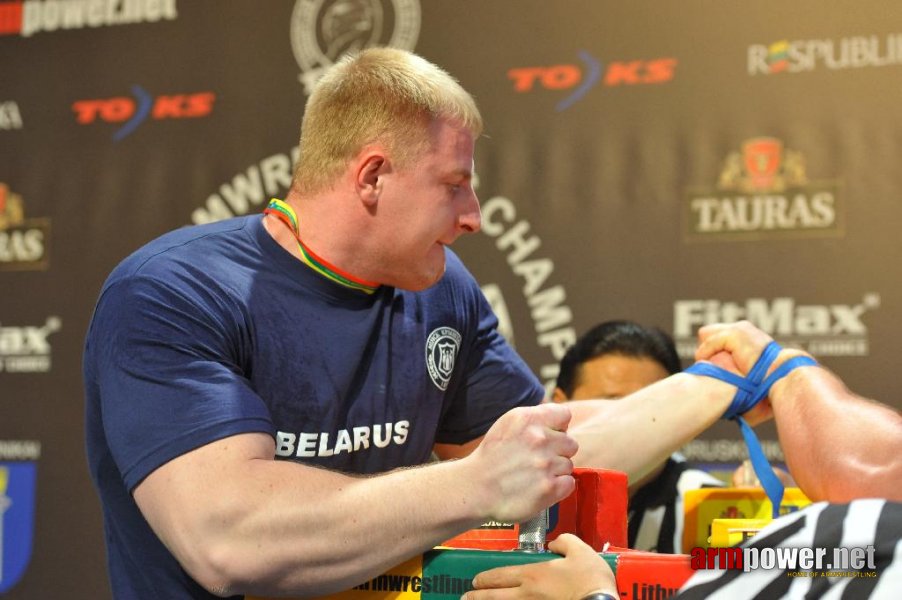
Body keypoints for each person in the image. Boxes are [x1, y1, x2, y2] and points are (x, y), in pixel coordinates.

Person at [84, 48, 766, 599]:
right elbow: (228, 540)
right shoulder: (172, 292)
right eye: (453, 184)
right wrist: (474, 485)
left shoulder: (443, 292)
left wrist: (714, 383)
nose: (473, 214)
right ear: (373, 177)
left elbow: (539, 454)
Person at [464, 320, 902, 600]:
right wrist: (770, 369)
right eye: (617, 405)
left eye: (655, 407)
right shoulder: (501, 503)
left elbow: (867, 477)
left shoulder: (711, 503)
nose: (645, 424)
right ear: (562, 401)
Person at [552, 320, 723, 553]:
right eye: (613, 405)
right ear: (559, 405)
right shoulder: (524, 498)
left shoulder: (710, 506)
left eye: (650, 409)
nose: (632, 426)